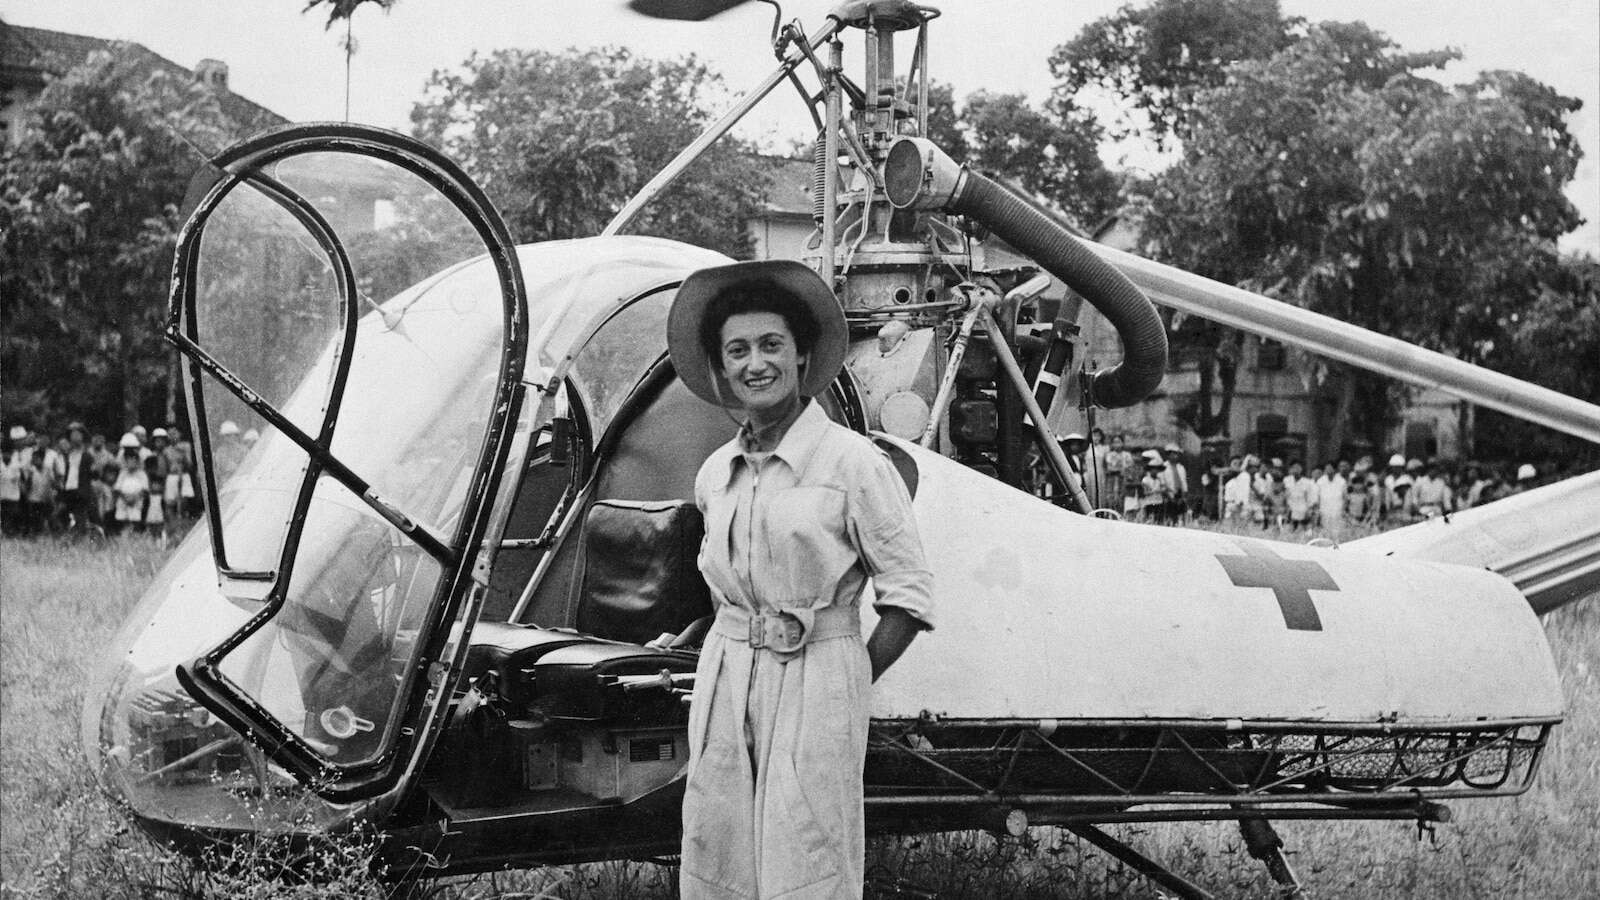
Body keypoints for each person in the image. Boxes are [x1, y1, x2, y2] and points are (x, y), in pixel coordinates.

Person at [666, 259, 934, 900]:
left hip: (819, 678)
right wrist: (701, 633)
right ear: (719, 367)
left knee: (808, 857)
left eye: (770, 345)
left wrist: (848, 679)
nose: (755, 363)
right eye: (737, 350)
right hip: (726, 678)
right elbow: (738, 583)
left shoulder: (853, 463)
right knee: (718, 848)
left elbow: (909, 592)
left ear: (802, 355)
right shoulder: (716, 473)